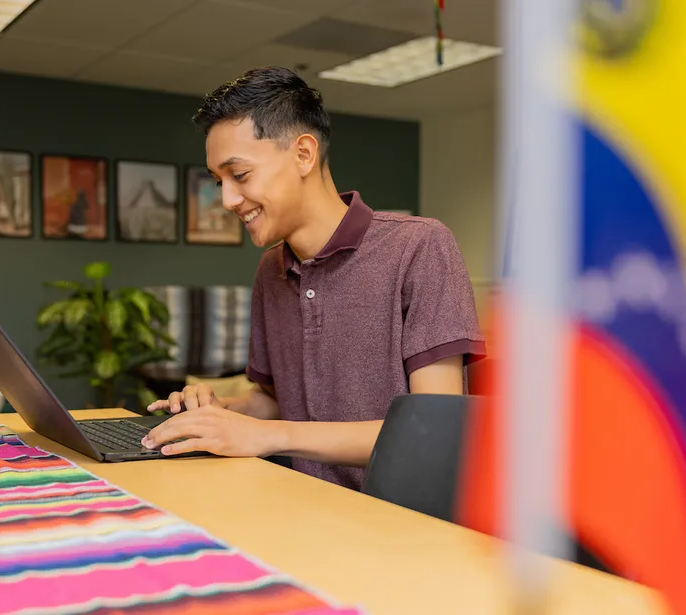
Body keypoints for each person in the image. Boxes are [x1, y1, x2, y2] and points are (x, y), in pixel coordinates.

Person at [143, 66, 486, 491]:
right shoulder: (271, 269)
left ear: (304, 154)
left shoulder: (420, 246)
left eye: (240, 175)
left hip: (395, 519)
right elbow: (275, 402)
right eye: (218, 181)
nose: (227, 199)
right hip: (299, 504)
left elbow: (434, 432)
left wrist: (269, 435)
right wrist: (221, 412)